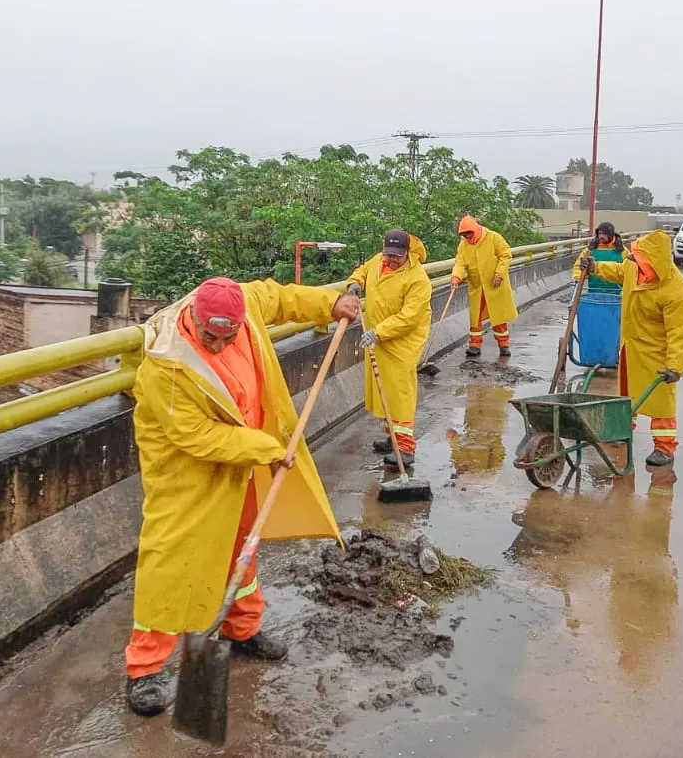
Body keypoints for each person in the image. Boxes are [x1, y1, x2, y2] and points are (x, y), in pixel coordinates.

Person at [124, 276, 362, 716]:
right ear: (193, 318)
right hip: (188, 480)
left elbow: (280, 297)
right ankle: (145, 669)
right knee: (170, 564)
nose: (217, 345)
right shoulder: (166, 366)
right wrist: (268, 449)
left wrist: (332, 304)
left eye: (227, 336)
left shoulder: (244, 306)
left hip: (239, 468)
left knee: (242, 551)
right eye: (210, 337)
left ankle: (242, 630)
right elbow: (197, 437)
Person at [578, 230, 683, 466]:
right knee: (625, 395)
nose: (636, 264)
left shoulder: (677, 291)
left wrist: (675, 366)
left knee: (661, 403)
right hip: (630, 347)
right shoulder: (633, 268)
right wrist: (595, 267)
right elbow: (620, 271)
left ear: (655, 262)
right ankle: (621, 432)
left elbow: (678, 333)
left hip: (657, 354)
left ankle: (664, 448)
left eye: (641, 261)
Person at [346, 230, 432, 466]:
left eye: (397, 256)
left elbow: (409, 317)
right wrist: (355, 283)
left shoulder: (417, 278)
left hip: (402, 342)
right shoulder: (379, 261)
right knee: (384, 388)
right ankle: (392, 438)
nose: (391, 260)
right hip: (379, 337)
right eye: (389, 255)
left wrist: (378, 332)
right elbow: (364, 270)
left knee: (400, 393)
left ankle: (405, 449)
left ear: (408, 252)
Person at [452, 215, 519, 358]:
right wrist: (456, 277)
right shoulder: (464, 244)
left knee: (498, 316)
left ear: (475, 230)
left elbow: (505, 255)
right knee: (475, 317)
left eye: (469, 234)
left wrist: (499, 274)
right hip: (477, 286)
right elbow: (460, 262)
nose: (467, 237)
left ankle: (504, 345)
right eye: (464, 235)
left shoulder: (494, 238)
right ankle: (474, 345)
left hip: (495, 285)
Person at [572, 221, 624, 292]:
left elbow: (629, 269)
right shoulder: (590, 250)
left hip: (617, 294)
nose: (601, 236)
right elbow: (579, 265)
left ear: (611, 234)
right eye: (600, 233)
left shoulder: (622, 250)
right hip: (594, 291)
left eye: (605, 234)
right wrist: (577, 277)